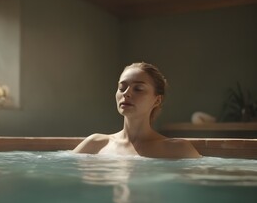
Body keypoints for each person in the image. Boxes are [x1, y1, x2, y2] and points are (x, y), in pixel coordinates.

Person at [73, 62, 201, 158]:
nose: (126, 93)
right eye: (122, 88)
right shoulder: (95, 144)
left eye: (138, 89)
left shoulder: (177, 149)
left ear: (157, 100)